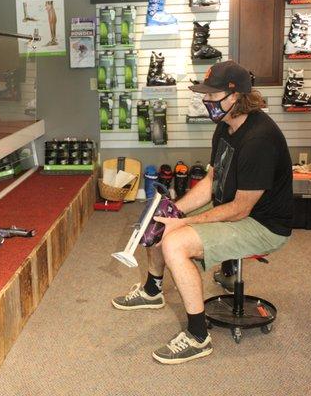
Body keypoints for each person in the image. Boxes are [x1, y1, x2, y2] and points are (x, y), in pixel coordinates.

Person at [112, 61, 293, 364]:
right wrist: (171, 210)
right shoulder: (225, 127)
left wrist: (182, 224)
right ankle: (153, 290)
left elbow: (240, 208)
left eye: (212, 95)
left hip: (262, 223)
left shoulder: (259, 139)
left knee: (174, 242)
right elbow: (212, 181)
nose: (205, 101)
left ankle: (198, 337)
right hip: (235, 206)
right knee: (160, 220)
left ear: (235, 97)